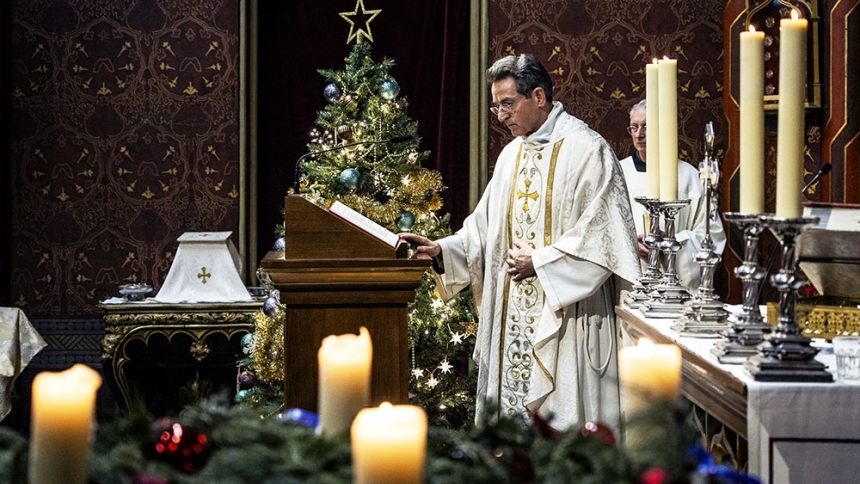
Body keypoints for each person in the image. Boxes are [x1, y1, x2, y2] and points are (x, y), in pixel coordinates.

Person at [400, 54, 640, 432]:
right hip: (510, 319)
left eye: (507, 104)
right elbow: (484, 230)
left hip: (567, 319)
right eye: (496, 107)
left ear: (539, 96)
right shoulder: (511, 155)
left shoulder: (587, 150)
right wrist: (443, 250)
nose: (501, 116)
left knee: (562, 430)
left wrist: (542, 262)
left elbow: (604, 238)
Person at [618, 99, 726, 292]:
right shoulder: (618, 173)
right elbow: (604, 231)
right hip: (631, 284)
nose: (639, 134)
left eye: (646, 127)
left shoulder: (688, 176)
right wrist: (629, 243)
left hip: (676, 288)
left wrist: (671, 242)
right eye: (634, 127)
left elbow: (711, 236)